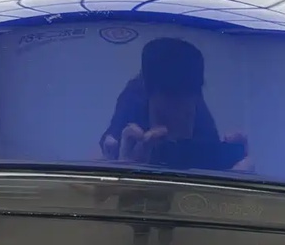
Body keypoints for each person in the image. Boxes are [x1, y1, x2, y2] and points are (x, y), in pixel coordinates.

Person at [99, 37, 252, 170]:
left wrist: (239, 179)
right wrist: (121, 174)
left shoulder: (202, 124)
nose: (185, 110)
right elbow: (100, 160)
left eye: (191, 94)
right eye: (171, 95)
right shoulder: (128, 121)